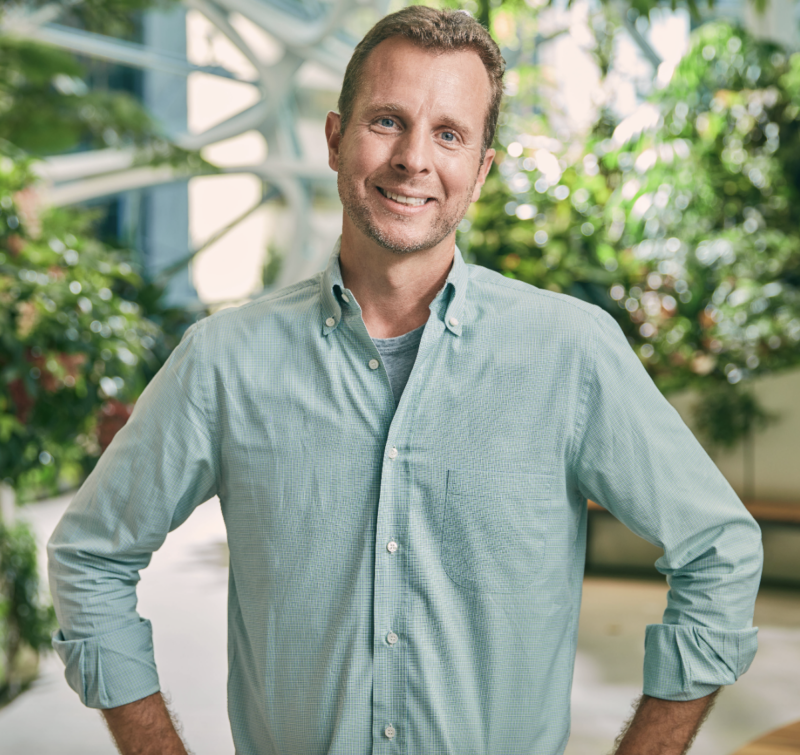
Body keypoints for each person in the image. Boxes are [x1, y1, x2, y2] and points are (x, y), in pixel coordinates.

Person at [47, 6, 763, 755]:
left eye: (449, 134)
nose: (414, 159)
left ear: (480, 170)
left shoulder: (572, 353)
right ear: (334, 139)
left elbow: (718, 550)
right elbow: (90, 555)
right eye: (387, 121)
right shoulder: (224, 360)